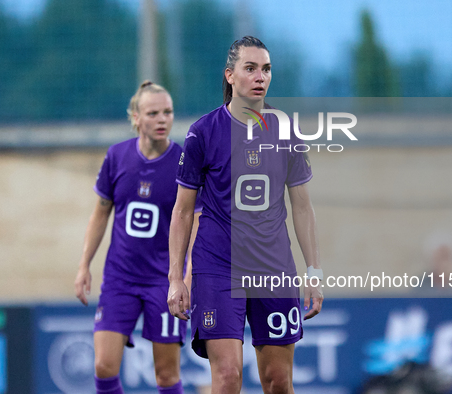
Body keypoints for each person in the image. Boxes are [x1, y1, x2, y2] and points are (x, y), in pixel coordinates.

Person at [167, 36, 324, 394]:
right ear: (230, 76)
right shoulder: (203, 133)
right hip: (218, 265)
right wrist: (177, 278)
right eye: (250, 68)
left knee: (278, 381)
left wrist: (313, 271)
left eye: (266, 69)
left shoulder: (285, 131)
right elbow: (182, 210)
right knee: (227, 377)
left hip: (273, 267)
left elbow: (302, 205)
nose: (260, 77)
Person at [74, 81, 192, 394]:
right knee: (103, 366)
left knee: (166, 376)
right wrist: (84, 265)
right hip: (120, 279)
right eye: (153, 113)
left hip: (163, 283)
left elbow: (195, 226)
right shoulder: (116, 157)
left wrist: (186, 278)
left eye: (167, 112)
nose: (162, 119)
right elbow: (100, 214)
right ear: (136, 118)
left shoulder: (185, 163)